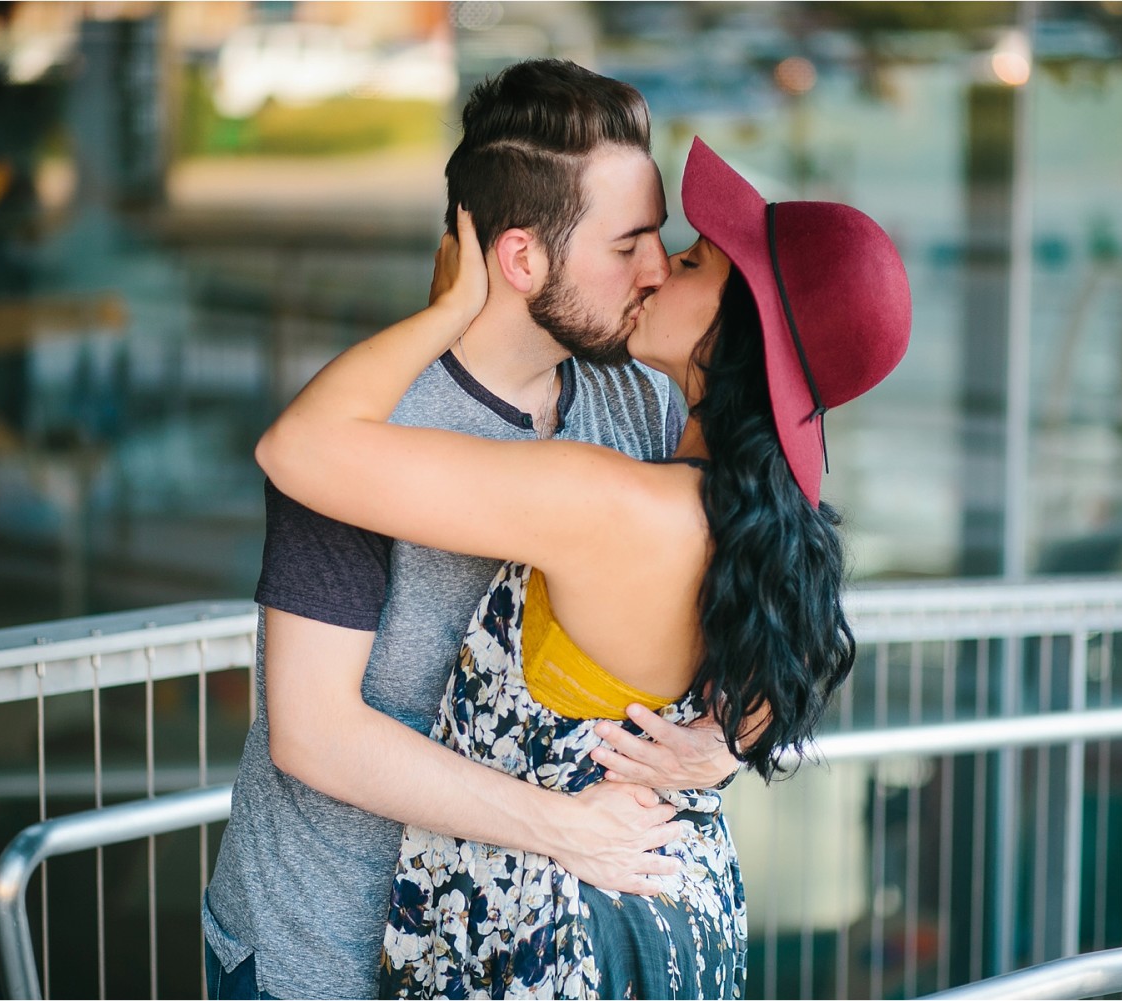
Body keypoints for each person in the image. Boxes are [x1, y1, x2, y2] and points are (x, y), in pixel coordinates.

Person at [257, 137, 912, 997]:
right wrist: (721, 745)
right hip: (680, 920)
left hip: (558, 942)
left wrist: (449, 310)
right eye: (635, 244)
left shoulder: (613, 501)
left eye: (690, 261)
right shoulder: (765, 527)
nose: (657, 269)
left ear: (737, 331)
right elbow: (768, 687)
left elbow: (298, 448)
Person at [203, 60, 740, 1000]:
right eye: (629, 244)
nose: (658, 268)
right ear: (522, 259)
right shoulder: (366, 429)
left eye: (662, 238)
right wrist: (562, 826)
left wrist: (727, 739)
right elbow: (313, 732)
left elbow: (746, 599)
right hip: (323, 949)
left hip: (501, 952)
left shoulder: (644, 403)